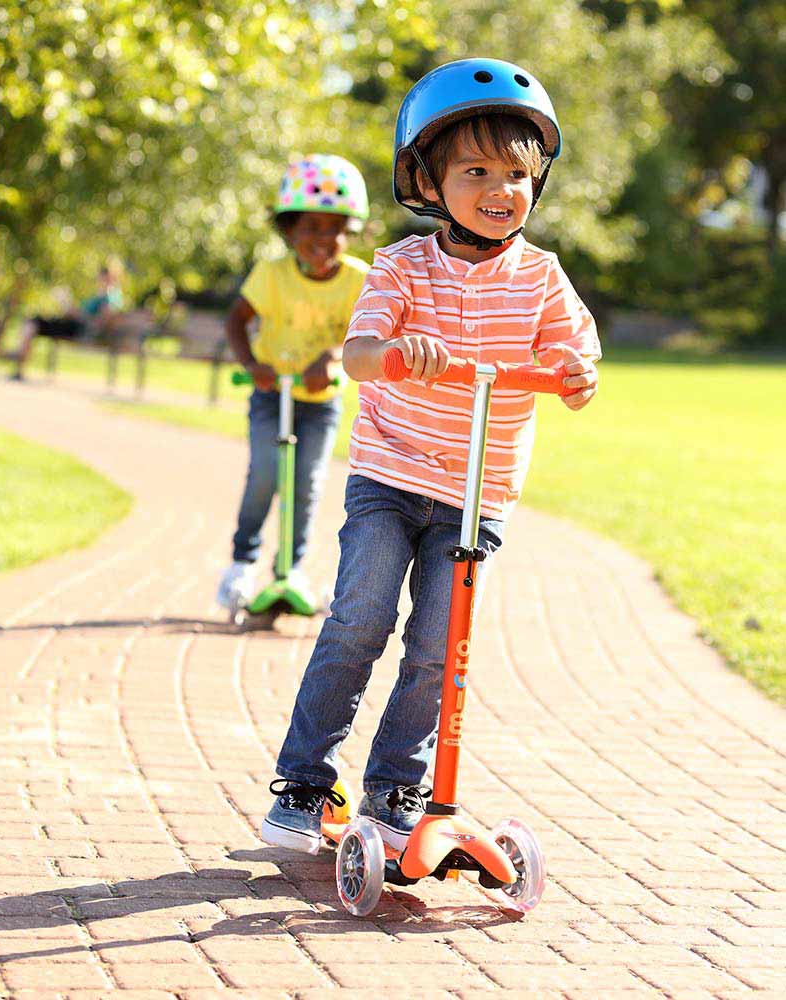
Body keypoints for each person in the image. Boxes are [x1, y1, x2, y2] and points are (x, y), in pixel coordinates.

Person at [261, 58, 601, 855]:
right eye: (475, 169)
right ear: (425, 179)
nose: (499, 187)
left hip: (477, 494)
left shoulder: (544, 279)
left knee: (438, 649)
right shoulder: (400, 265)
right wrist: (391, 351)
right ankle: (305, 783)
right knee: (361, 617)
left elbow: (573, 365)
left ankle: (393, 790)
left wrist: (578, 377)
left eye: (516, 172)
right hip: (391, 476)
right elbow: (359, 353)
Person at [216, 154, 371, 613]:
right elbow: (235, 321)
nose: (323, 240)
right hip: (270, 395)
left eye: (335, 229)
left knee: (306, 482)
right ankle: (242, 564)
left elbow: (368, 332)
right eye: (311, 229)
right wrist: (252, 364)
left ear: (350, 231)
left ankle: (291, 569)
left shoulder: (360, 279)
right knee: (265, 473)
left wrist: (335, 355)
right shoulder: (271, 274)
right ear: (289, 231)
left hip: (320, 401)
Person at [12, 264, 124, 379]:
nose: (100, 281)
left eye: (104, 278)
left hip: (78, 329)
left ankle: (18, 359)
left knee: (33, 322)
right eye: (100, 278)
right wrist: (70, 309)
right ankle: (18, 359)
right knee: (33, 321)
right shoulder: (101, 296)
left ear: (112, 279)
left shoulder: (110, 298)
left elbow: (98, 323)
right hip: (71, 325)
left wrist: (75, 313)